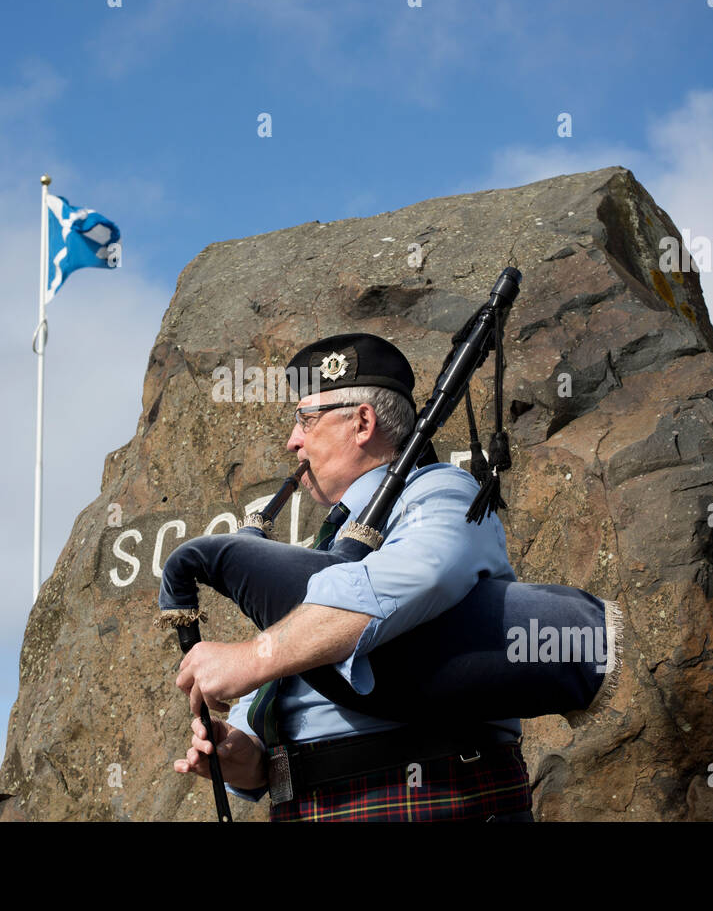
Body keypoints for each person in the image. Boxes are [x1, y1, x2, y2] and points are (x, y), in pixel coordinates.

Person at [172, 332, 534, 821]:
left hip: (423, 792)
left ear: (362, 422)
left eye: (305, 419)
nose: (292, 440)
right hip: (311, 806)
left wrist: (254, 657)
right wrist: (247, 754)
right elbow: (310, 661)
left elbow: (421, 576)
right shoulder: (327, 549)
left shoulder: (440, 492)